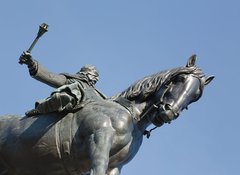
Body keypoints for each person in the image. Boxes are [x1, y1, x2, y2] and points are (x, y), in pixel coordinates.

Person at [19, 51, 106, 117]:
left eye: (95, 78)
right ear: (85, 74)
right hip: (71, 104)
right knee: (68, 93)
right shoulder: (73, 80)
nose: (94, 80)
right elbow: (50, 77)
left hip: (92, 114)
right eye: (93, 76)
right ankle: (40, 109)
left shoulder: (99, 94)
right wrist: (32, 64)